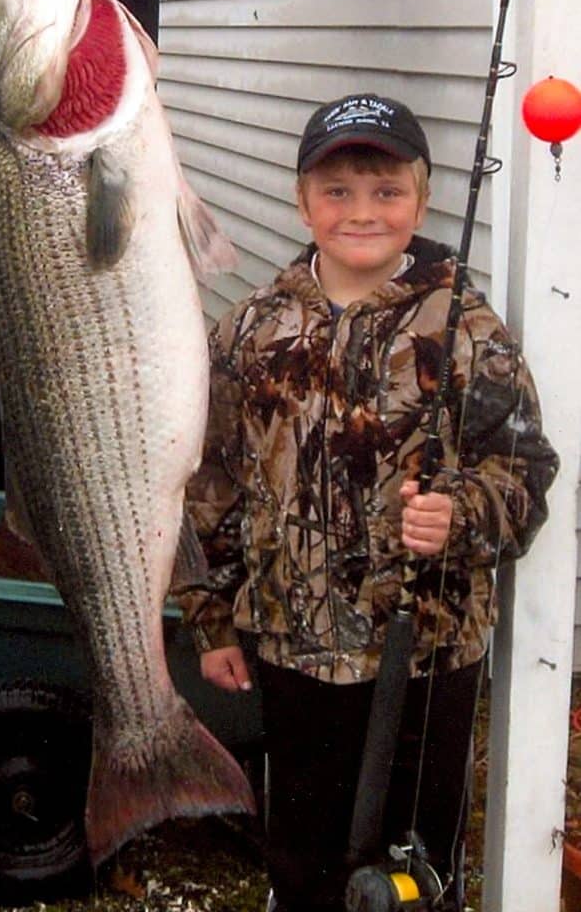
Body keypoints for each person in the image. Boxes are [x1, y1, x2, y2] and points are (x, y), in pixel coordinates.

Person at [172, 93, 559, 912]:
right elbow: (209, 485)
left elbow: (523, 467)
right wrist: (211, 620)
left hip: (426, 655)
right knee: (305, 858)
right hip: (291, 646)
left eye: (386, 191)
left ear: (422, 199)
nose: (362, 212)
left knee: (414, 871)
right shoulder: (250, 330)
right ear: (303, 200)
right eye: (337, 190)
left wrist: (465, 514)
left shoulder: (469, 330)